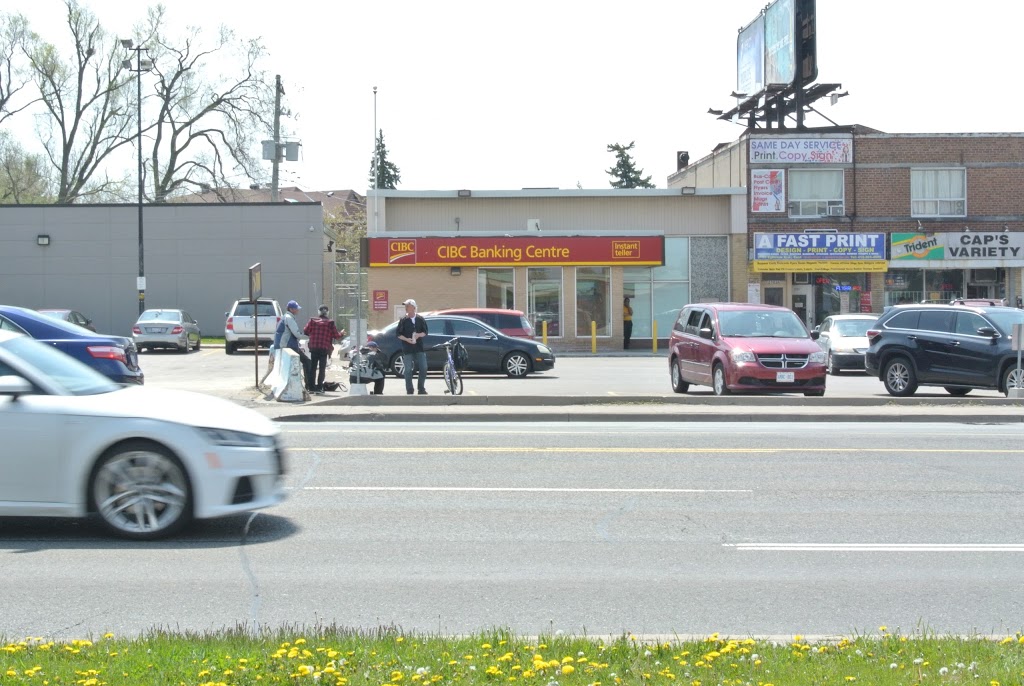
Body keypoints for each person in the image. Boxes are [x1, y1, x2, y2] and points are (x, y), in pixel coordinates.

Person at [304, 305, 345, 394]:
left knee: (313, 367)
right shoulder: (330, 323)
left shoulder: (312, 321)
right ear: (327, 313)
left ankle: (311, 387)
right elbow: (336, 336)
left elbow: (305, 331)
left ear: (319, 312)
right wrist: (341, 333)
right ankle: (319, 387)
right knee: (322, 369)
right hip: (324, 348)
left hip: (314, 347)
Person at [278, 299, 313, 394]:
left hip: (287, 345)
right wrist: (309, 337)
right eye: (296, 309)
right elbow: (297, 334)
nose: (298, 310)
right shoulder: (289, 318)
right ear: (291, 309)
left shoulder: (285, 316)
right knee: (307, 362)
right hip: (289, 346)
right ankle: (309, 385)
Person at [396, 298, 428, 395]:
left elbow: (425, 332)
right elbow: (398, 334)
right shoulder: (403, 320)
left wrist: (418, 335)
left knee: (424, 367)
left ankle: (421, 388)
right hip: (407, 348)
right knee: (408, 369)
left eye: (408, 306)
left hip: (419, 348)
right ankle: (409, 389)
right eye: (405, 306)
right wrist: (406, 339)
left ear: (413, 308)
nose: (406, 308)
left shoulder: (420, 319)